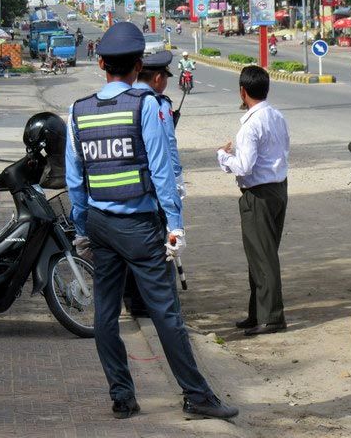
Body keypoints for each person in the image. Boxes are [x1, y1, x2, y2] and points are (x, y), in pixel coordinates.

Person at [65, 22, 238, 420]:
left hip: (99, 224)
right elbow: (161, 171)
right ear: (139, 64)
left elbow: (76, 179)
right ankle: (196, 395)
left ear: (101, 64)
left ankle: (122, 396)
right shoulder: (146, 105)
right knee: (166, 313)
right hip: (140, 227)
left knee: (105, 314)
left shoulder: (78, 110)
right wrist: (175, 225)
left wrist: (80, 228)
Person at [217, 66, 290, 336]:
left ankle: (272, 317)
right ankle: (256, 312)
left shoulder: (250, 125)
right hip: (278, 190)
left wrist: (223, 157)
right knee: (259, 254)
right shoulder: (277, 116)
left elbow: (244, 166)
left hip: (258, 195)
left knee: (263, 257)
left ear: (243, 92)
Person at [123, 50, 185, 317]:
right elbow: (166, 152)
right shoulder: (156, 104)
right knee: (163, 249)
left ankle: (135, 302)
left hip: (126, 189)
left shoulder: (123, 99)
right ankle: (163, 309)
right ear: (158, 78)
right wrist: (176, 190)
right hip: (154, 188)